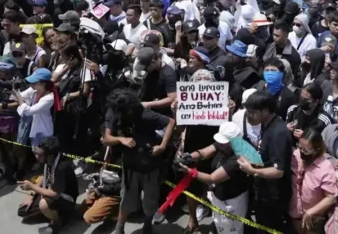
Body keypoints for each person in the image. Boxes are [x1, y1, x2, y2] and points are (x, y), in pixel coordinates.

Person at [103, 88, 175, 234]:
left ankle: (147, 225)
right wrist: (121, 139)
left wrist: (162, 146)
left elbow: (170, 122)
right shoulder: (114, 111)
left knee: (150, 201)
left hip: (151, 166)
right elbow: (107, 139)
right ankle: (119, 228)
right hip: (130, 167)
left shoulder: (144, 113)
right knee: (126, 200)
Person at [177, 122, 251, 234]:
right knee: (220, 226)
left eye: (223, 142)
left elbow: (212, 178)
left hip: (232, 202)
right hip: (219, 196)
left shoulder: (237, 158)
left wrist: (190, 171)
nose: (219, 144)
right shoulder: (222, 145)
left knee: (232, 230)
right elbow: (204, 153)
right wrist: (189, 157)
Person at [236, 91, 292, 231]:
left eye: (252, 112)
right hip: (264, 189)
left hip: (274, 195)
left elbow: (278, 171)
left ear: (266, 111)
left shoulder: (278, 133)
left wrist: (253, 170)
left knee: (269, 227)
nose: (249, 115)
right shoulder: (267, 124)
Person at [17, 136, 78, 234]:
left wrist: (32, 186)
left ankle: (58, 221)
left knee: (43, 205)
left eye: (39, 155)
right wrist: (31, 195)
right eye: (36, 153)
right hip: (51, 190)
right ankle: (54, 213)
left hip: (65, 198)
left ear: (50, 156)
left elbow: (55, 194)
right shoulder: (47, 160)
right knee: (24, 211)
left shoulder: (61, 166)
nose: (36, 157)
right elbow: (42, 176)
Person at [288, 128, 338, 234]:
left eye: (306, 150)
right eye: (300, 147)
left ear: (317, 150)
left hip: (314, 217)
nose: (301, 152)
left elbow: (331, 198)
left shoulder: (325, 167)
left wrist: (311, 212)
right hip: (295, 212)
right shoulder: (296, 155)